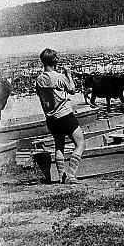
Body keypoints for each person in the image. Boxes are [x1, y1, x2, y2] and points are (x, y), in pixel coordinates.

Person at [35, 48, 86, 184]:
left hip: (51, 118)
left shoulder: (39, 80)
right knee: (80, 143)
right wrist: (68, 74)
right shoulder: (59, 77)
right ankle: (71, 175)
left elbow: (41, 98)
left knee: (59, 146)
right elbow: (73, 90)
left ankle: (61, 177)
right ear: (55, 61)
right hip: (65, 115)